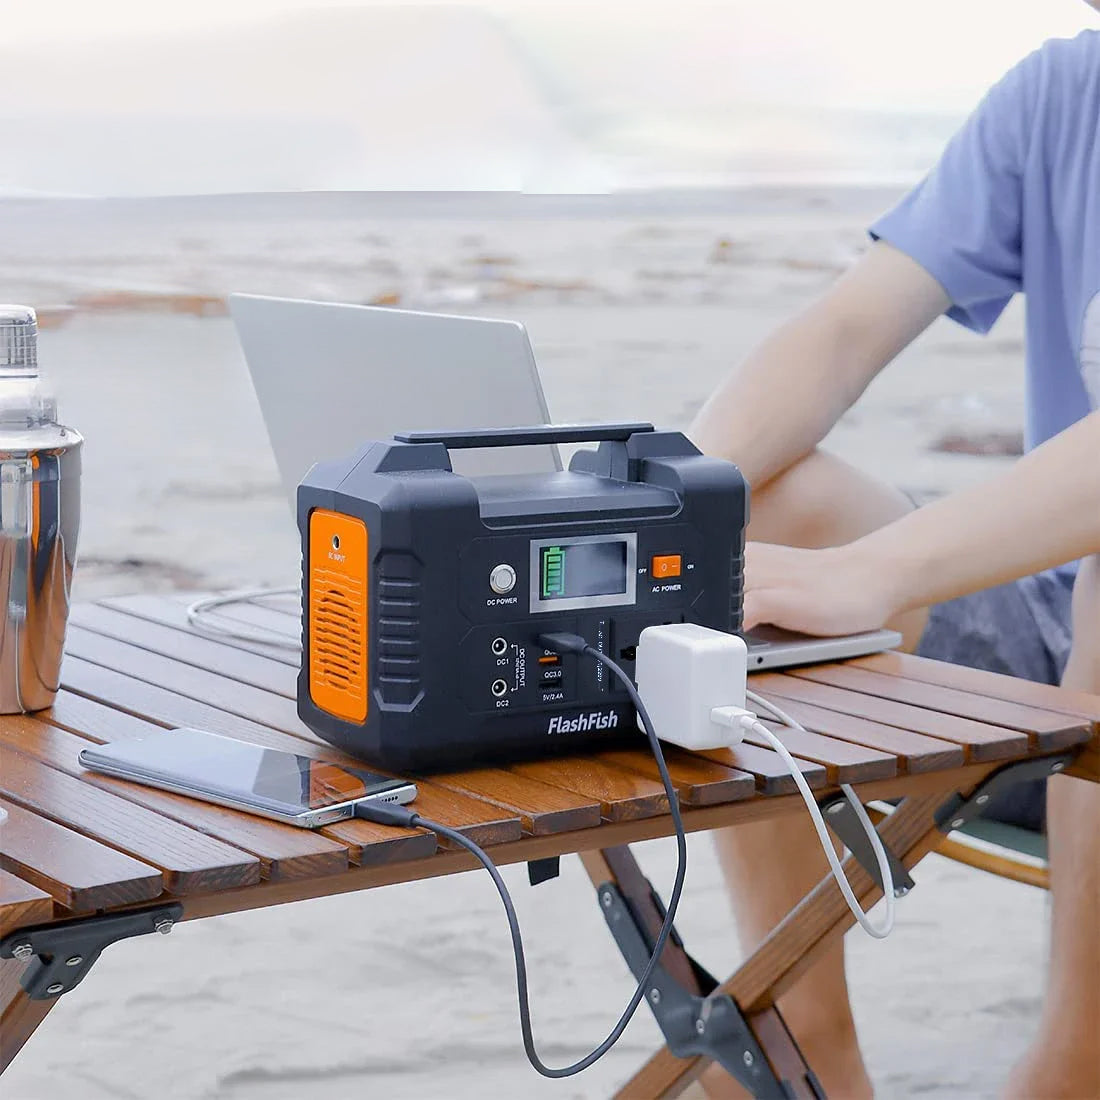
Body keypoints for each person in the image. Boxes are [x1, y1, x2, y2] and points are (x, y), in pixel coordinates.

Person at [690, 24, 1100, 1100]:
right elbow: (842, 331)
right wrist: (662, 514)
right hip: (1051, 634)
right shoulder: (1066, 91)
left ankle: (1071, 1068)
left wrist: (871, 573)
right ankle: (800, 1042)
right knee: (758, 506)